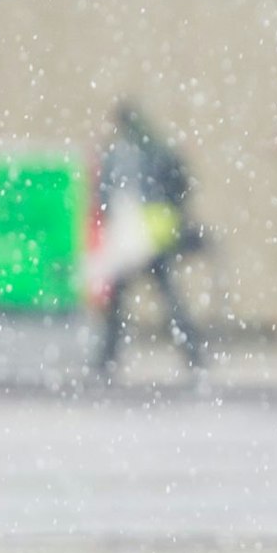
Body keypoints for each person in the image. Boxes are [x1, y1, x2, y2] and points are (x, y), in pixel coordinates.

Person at [92, 102, 206, 379]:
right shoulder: (156, 147)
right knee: (168, 296)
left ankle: (108, 357)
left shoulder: (121, 152)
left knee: (121, 299)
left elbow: (106, 193)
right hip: (156, 234)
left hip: (135, 236)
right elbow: (181, 184)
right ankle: (192, 352)